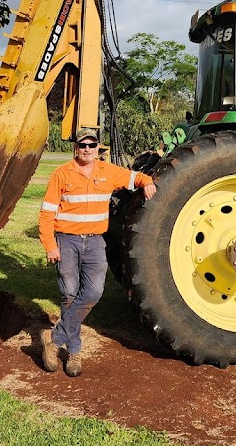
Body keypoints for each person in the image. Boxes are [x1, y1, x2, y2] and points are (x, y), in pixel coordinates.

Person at [38, 127, 157, 377]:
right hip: (67, 241)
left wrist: (147, 182)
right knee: (69, 295)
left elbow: (134, 177)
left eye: (92, 145)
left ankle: (54, 338)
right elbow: (47, 212)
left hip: (94, 243)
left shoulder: (108, 172)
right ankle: (74, 353)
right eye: (83, 145)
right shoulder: (61, 174)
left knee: (93, 292)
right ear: (76, 148)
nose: (87, 149)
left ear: (97, 148)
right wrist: (50, 245)